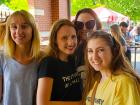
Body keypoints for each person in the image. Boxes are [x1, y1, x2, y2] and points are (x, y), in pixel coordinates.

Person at [82, 30, 140, 105]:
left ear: (113, 52)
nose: (94, 57)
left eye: (100, 50)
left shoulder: (124, 82)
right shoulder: (96, 78)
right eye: (90, 51)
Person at [0, 10, 42, 105]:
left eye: (24, 26)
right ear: (9, 30)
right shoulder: (2, 57)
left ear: (33, 29)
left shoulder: (41, 59)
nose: (18, 31)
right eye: (14, 27)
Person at [37, 19, 82, 105]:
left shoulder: (73, 59)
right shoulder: (48, 63)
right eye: (64, 38)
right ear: (55, 40)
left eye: (73, 36)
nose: (70, 42)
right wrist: (79, 104)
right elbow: (42, 103)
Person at [74, 8, 102, 87]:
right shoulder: (73, 48)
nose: (84, 28)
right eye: (80, 24)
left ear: (97, 24)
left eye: (90, 24)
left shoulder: (109, 47)